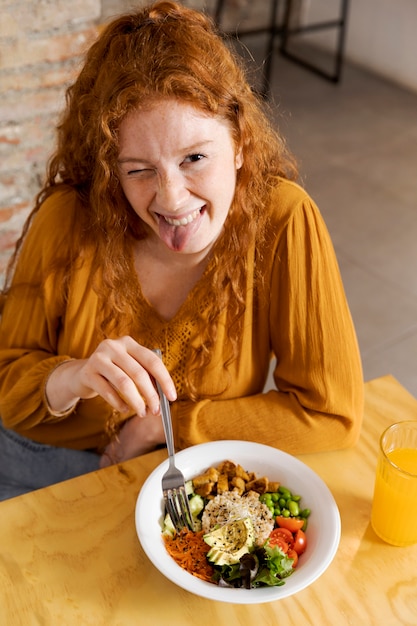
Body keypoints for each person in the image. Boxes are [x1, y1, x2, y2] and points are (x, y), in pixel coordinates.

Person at [0, 1, 363, 501]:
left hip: (194, 468)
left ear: (239, 142)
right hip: (40, 462)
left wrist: (162, 426)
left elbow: (330, 413)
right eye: (137, 170)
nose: (170, 200)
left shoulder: (283, 220)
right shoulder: (67, 218)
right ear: (111, 170)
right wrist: (74, 377)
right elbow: (7, 386)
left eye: (194, 158)